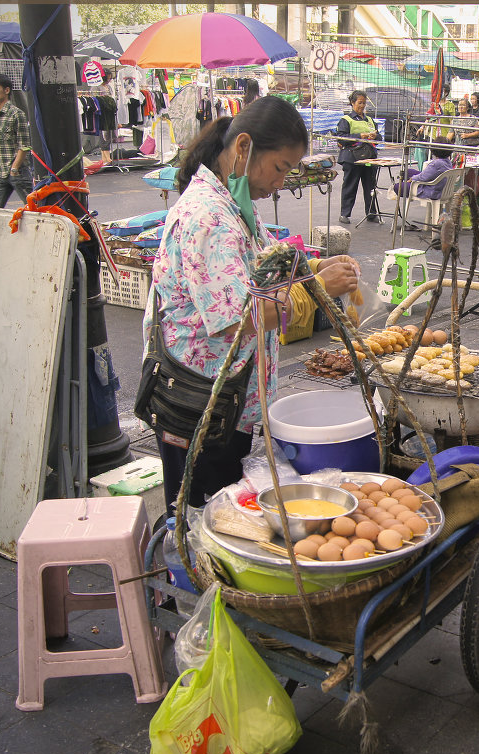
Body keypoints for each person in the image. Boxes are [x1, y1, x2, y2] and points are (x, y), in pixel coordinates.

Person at [146, 97, 361, 516]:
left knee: (228, 513)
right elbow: (235, 319)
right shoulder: (208, 217)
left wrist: (313, 264)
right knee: (202, 520)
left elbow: (265, 258)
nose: (281, 183)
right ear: (243, 147)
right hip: (201, 401)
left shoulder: (234, 202)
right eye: (280, 168)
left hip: (231, 400)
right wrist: (315, 287)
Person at [0, 73, 32, 208]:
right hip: (0, 172)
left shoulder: (17, 114)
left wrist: (14, 168)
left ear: (6, 90)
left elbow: (24, 146)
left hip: (18, 172)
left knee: (35, 209)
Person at [336, 90, 380, 224]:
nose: (362, 106)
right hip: (352, 158)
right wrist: (359, 136)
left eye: (364, 103)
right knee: (350, 186)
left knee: (370, 186)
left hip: (369, 158)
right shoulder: (346, 120)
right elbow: (341, 138)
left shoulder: (370, 120)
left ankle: (371, 213)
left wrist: (375, 136)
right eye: (359, 103)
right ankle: (345, 214)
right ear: (352, 103)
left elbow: (379, 138)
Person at [394, 136, 454, 230]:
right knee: (407, 171)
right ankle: (406, 179)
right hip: (439, 187)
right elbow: (426, 175)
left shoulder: (436, 163)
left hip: (432, 190)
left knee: (398, 186)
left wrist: (412, 179)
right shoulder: (448, 162)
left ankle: (403, 183)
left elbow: (423, 177)